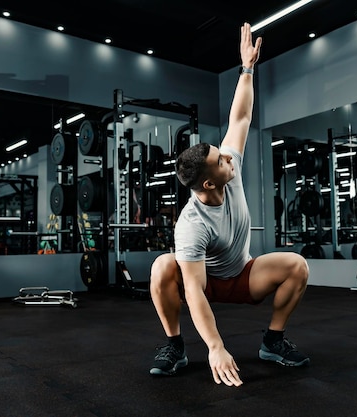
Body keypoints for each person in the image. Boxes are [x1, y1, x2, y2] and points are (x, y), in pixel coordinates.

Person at [148, 22, 310, 387]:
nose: (231, 160)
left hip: (242, 275)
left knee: (297, 266)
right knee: (161, 268)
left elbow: (239, 117)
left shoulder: (228, 171)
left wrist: (247, 69)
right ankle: (175, 346)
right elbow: (192, 290)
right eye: (222, 161)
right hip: (204, 284)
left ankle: (273, 341)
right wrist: (216, 346)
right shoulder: (191, 224)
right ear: (208, 183)